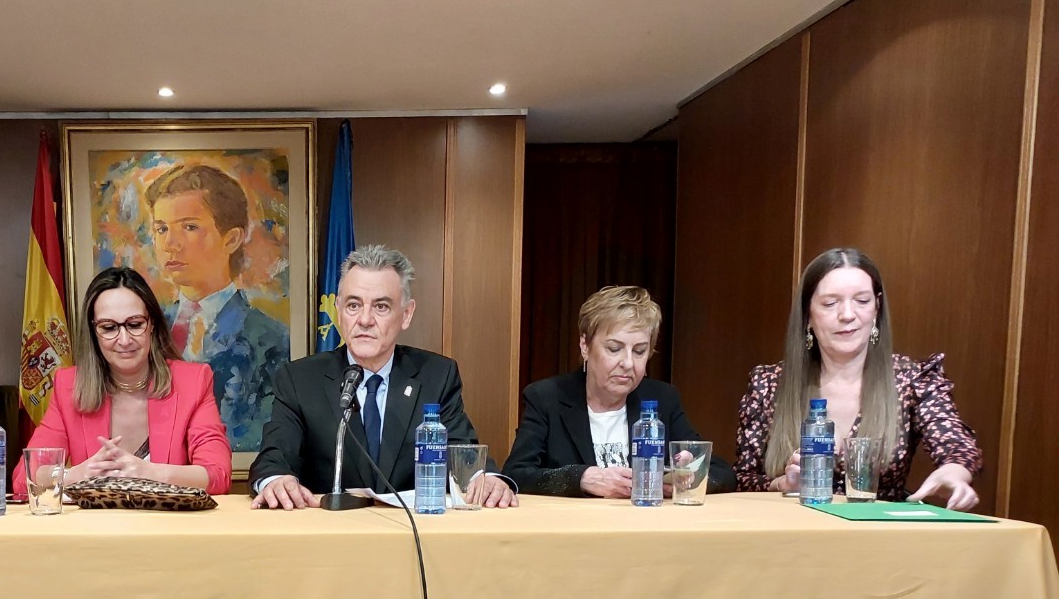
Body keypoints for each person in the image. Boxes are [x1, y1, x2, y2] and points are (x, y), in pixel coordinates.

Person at [250, 244, 516, 509]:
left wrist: (484, 479)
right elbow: (275, 457)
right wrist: (276, 479)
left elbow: (461, 454)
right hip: (331, 529)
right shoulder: (300, 380)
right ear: (339, 310)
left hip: (413, 530)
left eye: (381, 306)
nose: (365, 319)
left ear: (406, 314)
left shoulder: (436, 376)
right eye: (353, 305)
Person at [735, 248, 982, 508]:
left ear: (876, 308)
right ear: (807, 314)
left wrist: (953, 473)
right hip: (794, 528)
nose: (847, 315)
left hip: (877, 530)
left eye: (862, 301)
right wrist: (782, 484)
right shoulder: (769, 384)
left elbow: (957, 446)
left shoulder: (912, 379)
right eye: (830, 303)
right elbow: (743, 479)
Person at [11, 267, 231, 496]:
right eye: (109, 328)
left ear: (152, 324)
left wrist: (150, 472)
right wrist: (73, 475)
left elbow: (218, 474)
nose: (124, 340)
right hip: (98, 520)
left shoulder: (193, 382)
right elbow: (23, 477)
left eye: (135, 324)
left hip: (165, 520)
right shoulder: (68, 386)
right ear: (94, 332)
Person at [501, 286, 736, 498]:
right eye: (614, 349)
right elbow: (516, 475)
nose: (628, 363)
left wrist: (688, 478)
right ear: (585, 346)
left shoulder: (662, 398)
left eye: (639, 351)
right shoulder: (547, 397)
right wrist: (580, 478)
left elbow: (722, 473)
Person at [147, 162, 289, 451]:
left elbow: (260, 436)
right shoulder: (146, 329)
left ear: (232, 239)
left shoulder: (270, 339)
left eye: (189, 227)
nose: (170, 244)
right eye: (161, 229)